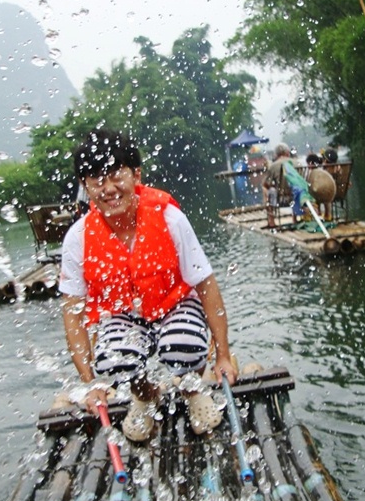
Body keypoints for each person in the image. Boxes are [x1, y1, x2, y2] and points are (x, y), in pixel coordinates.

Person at [58, 128, 238, 443]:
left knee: (183, 344)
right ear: (85, 185)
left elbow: (206, 285)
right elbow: (73, 313)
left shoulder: (169, 218)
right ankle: (144, 396)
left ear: (136, 174)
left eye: (116, 175)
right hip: (125, 314)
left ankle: (193, 391)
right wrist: (90, 383)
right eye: (97, 179)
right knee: (115, 358)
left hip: (175, 303)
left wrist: (222, 354)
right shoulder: (78, 238)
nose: (109, 188)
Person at [262, 142, 305, 223]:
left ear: (277, 154)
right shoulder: (297, 163)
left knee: (266, 189)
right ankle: (295, 218)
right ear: (287, 153)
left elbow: (266, 184)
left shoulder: (274, 166)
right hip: (298, 197)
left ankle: (271, 221)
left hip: (281, 199)